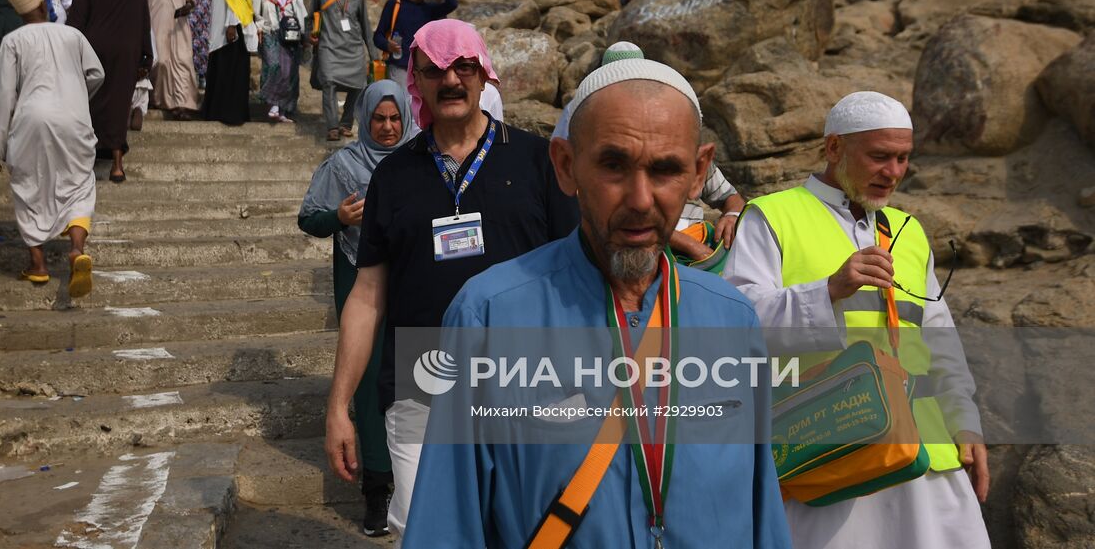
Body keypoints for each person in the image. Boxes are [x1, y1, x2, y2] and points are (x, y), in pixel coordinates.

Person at [404, 57, 790, 548]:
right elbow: (447, 521)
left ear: (698, 174)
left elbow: (763, 514)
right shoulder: (489, 315)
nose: (641, 198)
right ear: (566, 166)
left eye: (666, 169)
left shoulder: (732, 317)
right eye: (613, 165)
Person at [325, 19, 580, 544]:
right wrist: (338, 406)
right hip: (423, 378)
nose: (450, 81)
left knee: (532, 529)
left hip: (527, 376)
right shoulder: (393, 177)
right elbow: (367, 295)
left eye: (463, 66)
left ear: (484, 74)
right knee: (426, 530)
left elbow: (578, 275)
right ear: (416, 80)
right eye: (434, 70)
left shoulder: (537, 161)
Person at [725, 90, 989, 549]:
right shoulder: (772, 216)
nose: (893, 172)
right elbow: (733, 324)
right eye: (880, 156)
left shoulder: (909, 232)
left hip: (927, 456)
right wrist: (828, 291)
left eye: (903, 158)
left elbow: (940, 341)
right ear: (834, 149)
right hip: (831, 456)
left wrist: (966, 424)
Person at [300, 81, 412, 536]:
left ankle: (412, 486)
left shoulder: (422, 160)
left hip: (411, 286)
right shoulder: (343, 165)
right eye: (378, 120)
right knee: (367, 389)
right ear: (364, 120)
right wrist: (340, 219)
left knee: (411, 383)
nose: (387, 128)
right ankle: (376, 491)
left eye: (394, 119)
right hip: (360, 284)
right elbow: (309, 217)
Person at [0, 0, 105, 298]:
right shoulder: (73, 34)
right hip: (74, 118)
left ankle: (38, 265)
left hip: (31, 119)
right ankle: (77, 250)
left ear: (20, 14)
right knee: (79, 185)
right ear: (43, 6)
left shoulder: (13, 40)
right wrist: (77, 96)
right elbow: (97, 74)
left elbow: (4, 95)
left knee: (29, 187)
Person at [67, 0, 153, 183]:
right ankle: (117, 165)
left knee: (90, 104)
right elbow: (144, 23)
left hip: (92, 51)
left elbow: (75, 25)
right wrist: (146, 55)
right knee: (118, 105)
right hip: (126, 52)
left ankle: (86, 161)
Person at [310, 0, 378, 141]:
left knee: (358, 86)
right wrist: (311, 34)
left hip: (353, 49)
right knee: (329, 83)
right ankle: (332, 126)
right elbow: (312, 16)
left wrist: (374, 55)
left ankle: (346, 123)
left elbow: (365, 26)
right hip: (328, 47)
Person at [136, 0, 202, 119]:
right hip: (154, 24)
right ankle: (162, 101)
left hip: (178, 25)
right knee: (162, 63)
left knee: (183, 62)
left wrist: (186, 8)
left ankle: (183, 104)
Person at [372, 0, 458, 89]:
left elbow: (452, 3)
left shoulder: (430, 10)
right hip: (399, 68)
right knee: (402, 107)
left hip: (423, 71)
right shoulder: (395, 5)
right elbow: (378, 36)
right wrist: (387, 45)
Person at [201, 0, 257, 125]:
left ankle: (226, 113)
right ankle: (216, 112)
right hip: (223, 33)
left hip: (229, 35)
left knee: (229, 73)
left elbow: (236, 3)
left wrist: (232, 25)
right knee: (223, 72)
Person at [256, 0, 308, 123]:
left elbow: (302, 16)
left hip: (290, 37)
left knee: (289, 72)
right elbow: (255, 14)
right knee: (273, 67)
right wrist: (260, 27)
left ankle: (283, 109)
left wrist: (304, 35)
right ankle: (273, 104)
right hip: (270, 34)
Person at [181, 0, 213, 90]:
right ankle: (188, 79)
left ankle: (203, 77)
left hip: (204, 23)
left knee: (203, 49)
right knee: (188, 48)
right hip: (188, 21)